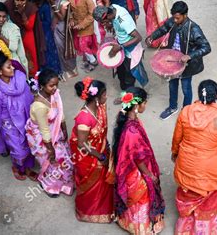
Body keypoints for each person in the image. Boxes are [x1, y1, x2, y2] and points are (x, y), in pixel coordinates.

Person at [172, 80, 217, 234]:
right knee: (214, 189)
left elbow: (177, 138)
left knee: (188, 188)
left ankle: (186, 225)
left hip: (185, 163)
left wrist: (175, 154)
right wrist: (216, 161)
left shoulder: (186, 111)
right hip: (208, 167)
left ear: (199, 94)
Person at [146, 1, 211, 120]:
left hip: (186, 65)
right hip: (172, 60)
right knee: (172, 85)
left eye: (177, 18)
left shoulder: (194, 29)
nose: (174, 20)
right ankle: (172, 107)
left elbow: (207, 47)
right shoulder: (173, 21)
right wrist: (152, 37)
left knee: (186, 88)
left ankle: (186, 110)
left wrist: (190, 56)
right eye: (173, 17)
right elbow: (163, 29)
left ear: (185, 15)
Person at [112, 87, 165, 234]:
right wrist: (149, 175)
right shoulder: (132, 131)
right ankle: (140, 227)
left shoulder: (125, 117)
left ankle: (127, 221)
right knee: (143, 194)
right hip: (135, 169)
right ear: (136, 106)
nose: (145, 106)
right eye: (144, 103)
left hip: (130, 164)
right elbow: (137, 158)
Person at [0, 49, 37, 181]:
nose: (13, 67)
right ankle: (18, 167)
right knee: (18, 148)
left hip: (26, 117)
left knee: (29, 142)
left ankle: (28, 167)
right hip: (9, 124)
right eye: (8, 67)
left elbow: (29, 96)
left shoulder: (19, 77)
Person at [70, 77, 114, 223]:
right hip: (88, 157)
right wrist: (100, 156)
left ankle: (102, 206)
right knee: (92, 187)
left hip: (99, 150)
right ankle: (89, 212)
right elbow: (82, 144)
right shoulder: (84, 118)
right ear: (96, 97)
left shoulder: (99, 108)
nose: (106, 97)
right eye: (104, 95)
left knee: (102, 184)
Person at [25, 68, 74, 197]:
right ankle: (48, 186)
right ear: (42, 86)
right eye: (51, 85)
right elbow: (44, 131)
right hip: (42, 136)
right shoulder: (39, 106)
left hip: (54, 129)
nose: (55, 88)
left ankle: (64, 183)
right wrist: (50, 149)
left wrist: (64, 129)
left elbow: (60, 111)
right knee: (51, 161)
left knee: (64, 158)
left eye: (56, 84)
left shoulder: (54, 93)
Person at [93, 5, 148, 102]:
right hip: (121, 46)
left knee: (129, 78)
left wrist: (121, 46)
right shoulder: (113, 8)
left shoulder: (124, 21)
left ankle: (127, 98)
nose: (104, 24)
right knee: (120, 73)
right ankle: (125, 91)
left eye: (104, 22)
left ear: (109, 15)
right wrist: (111, 24)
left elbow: (138, 37)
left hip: (130, 50)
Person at [5, 0, 46, 76]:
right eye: (17, 0)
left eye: (22, 0)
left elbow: (29, 27)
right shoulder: (8, 5)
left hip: (27, 36)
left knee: (30, 57)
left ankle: (32, 78)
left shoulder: (31, 8)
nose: (19, 2)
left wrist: (22, 13)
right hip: (13, 35)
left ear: (27, 0)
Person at [67, 0, 99, 72]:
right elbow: (68, 9)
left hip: (87, 26)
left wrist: (81, 25)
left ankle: (93, 61)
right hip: (75, 25)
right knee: (79, 45)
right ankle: (89, 61)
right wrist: (71, 19)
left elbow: (92, 14)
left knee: (83, 45)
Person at [47, 0, 78, 79]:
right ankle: (60, 70)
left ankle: (70, 70)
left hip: (61, 29)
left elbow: (61, 17)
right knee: (55, 50)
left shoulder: (63, 3)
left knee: (63, 48)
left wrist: (53, 6)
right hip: (51, 28)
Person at [29, 0, 62, 76]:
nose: (39, 4)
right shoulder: (31, 7)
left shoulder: (45, 6)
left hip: (45, 32)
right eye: (37, 2)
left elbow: (47, 21)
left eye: (40, 2)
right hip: (36, 33)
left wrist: (37, 22)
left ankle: (54, 71)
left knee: (48, 51)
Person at [0, 2, 29, 73]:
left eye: (4, 16)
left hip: (11, 62)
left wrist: (1, 37)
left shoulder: (13, 28)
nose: (1, 19)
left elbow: (14, 47)